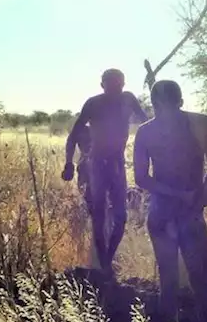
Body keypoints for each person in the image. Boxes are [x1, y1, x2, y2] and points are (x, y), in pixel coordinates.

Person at [133, 80, 207, 322]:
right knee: (190, 278)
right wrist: (195, 199)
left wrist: (193, 200)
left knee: (178, 278)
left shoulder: (146, 131)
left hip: (168, 210)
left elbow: (142, 178)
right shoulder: (200, 123)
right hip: (179, 211)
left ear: (153, 104)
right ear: (181, 101)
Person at [62, 69, 148, 273]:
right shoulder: (93, 103)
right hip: (97, 163)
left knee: (121, 217)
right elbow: (74, 135)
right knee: (99, 215)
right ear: (102, 85)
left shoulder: (128, 100)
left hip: (118, 162)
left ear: (124, 85)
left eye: (118, 85)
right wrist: (68, 163)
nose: (114, 89)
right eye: (110, 84)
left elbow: (148, 123)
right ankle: (105, 264)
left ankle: (107, 260)